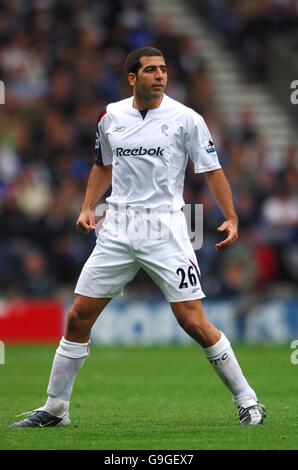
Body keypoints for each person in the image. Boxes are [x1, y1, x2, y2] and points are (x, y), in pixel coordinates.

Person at [10, 47, 265, 428]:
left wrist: (231, 216)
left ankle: (248, 401)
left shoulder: (186, 119)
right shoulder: (111, 116)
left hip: (165, 227)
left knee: (193, 321)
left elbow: (212, 170)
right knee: (78, 316)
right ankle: (55, 408)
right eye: (150, 70)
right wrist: (86, 207)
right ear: (133, 78)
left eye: (163, 69)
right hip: (118, 226)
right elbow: (102, 165)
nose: (160, 75)